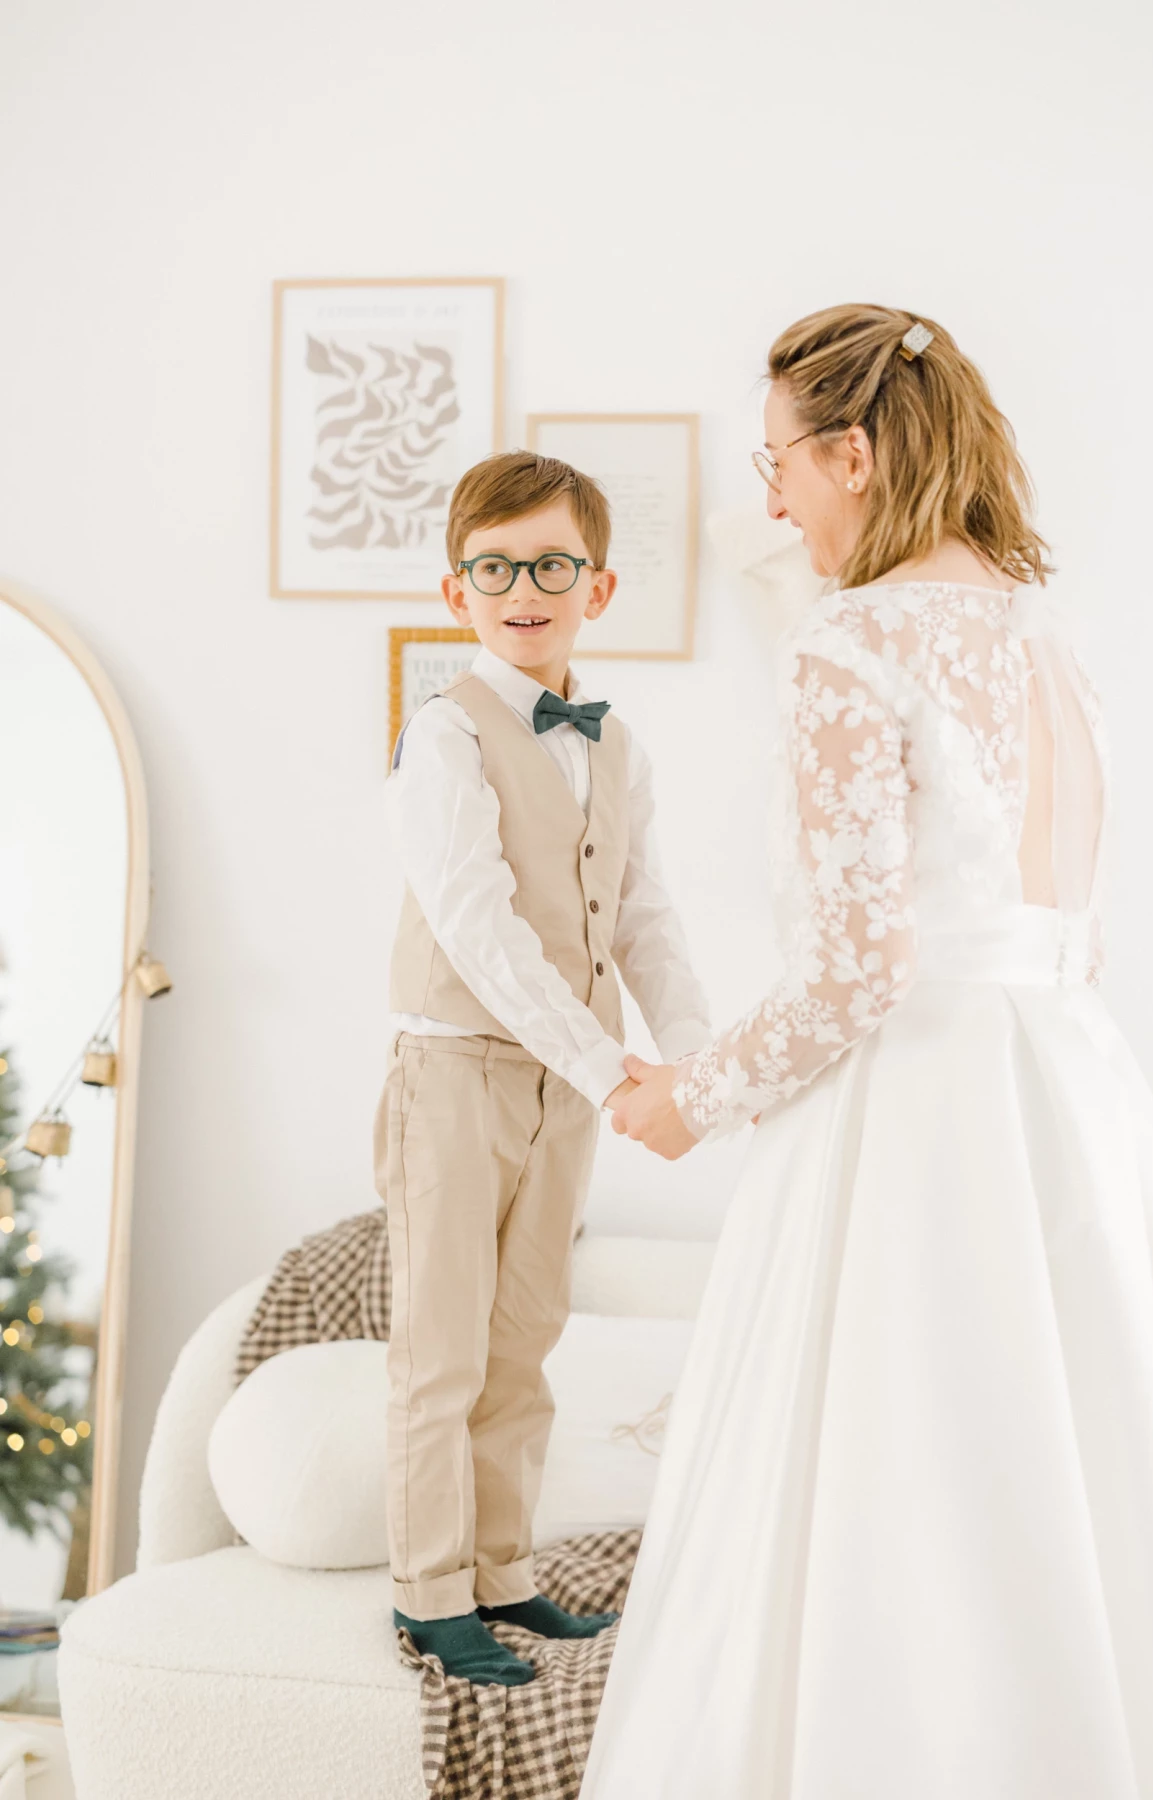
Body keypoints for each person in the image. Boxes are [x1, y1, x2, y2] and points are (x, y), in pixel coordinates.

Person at [584, 305, 1153, 1797]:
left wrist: (691, 1098)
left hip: (917, 1128)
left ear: (852, 453)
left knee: (887, 1513)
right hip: (1074, 1103)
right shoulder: (1047, 635)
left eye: (782, 460)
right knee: (1066, 1497)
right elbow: (1074, 927)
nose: (773, 498)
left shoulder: (855, 643)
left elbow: (862, 970)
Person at [375, 449, 710, 1687]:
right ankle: (425, 1593)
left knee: (525, 1334)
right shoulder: (444, 734)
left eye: (553, 564)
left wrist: (700, 1064)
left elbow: (644, 918)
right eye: (497, 566)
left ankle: (502, 1573)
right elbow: (478, 922)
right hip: (457, 1071)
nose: (526, 586)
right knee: (444, 1348)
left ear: (599, 587)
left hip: (569, 1083)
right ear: (456, 588)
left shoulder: (617, 744)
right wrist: (608, 1064)